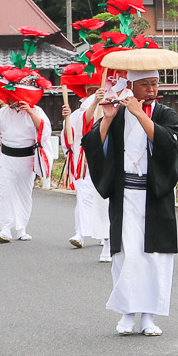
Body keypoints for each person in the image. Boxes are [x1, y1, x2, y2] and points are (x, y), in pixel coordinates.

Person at [82, 48, 178, 337]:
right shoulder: (116, 112)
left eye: (154, 83)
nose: (151, 89)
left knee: (153, 256)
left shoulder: (165, 113)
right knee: (126, 255)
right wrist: (107, 117)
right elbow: (91, 143)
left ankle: (149, 315)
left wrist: (140, 114)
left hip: (155, 195)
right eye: (145, 84)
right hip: (125, 195)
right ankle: (127, 313)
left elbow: (168, 144)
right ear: (132, 86)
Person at [0, 71, 57, 244]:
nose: (8, 100)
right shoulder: (3, 113)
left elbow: (45, 132)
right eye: (7, 97)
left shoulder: (36, 111)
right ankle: (5, 229)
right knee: (5, 192)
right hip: (7, 158)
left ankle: (21, 228)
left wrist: (30, 113)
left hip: (27, 159)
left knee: (24, 193)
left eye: (11, 97)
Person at [61, 64, 111, 261]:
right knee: (83, 195)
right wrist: (66, 117)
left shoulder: (112, 103)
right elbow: (78, 129)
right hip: (82, 158)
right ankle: (80, 233)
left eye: (95, 87)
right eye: (88, 89)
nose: (92, 91)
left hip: (104, 158)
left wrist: (100, 102)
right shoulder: (79, 111)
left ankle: (102, 234)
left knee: (103, 198)